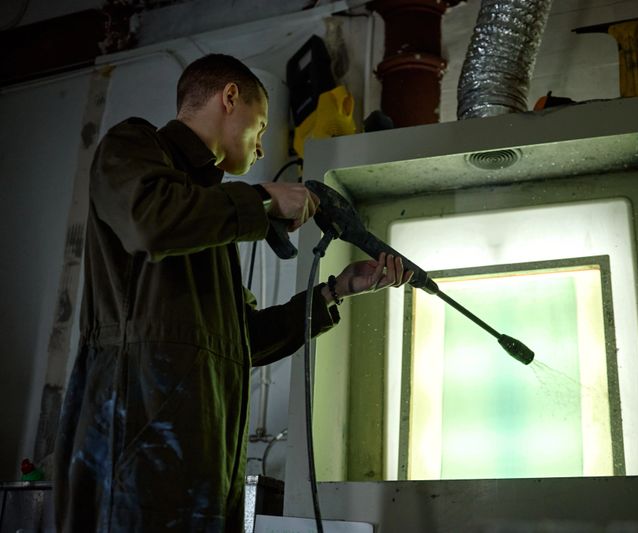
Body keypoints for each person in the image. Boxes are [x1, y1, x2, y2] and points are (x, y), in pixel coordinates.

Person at [54, 53, 410, 532]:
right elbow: (149, 220)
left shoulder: (211, 218)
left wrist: (336, 290)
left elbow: (244, 339)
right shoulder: (134, 145)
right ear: (229, 97)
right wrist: (261, 199)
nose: (261, 148)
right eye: (260, 127)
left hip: (205, 469)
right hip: (133, 454)